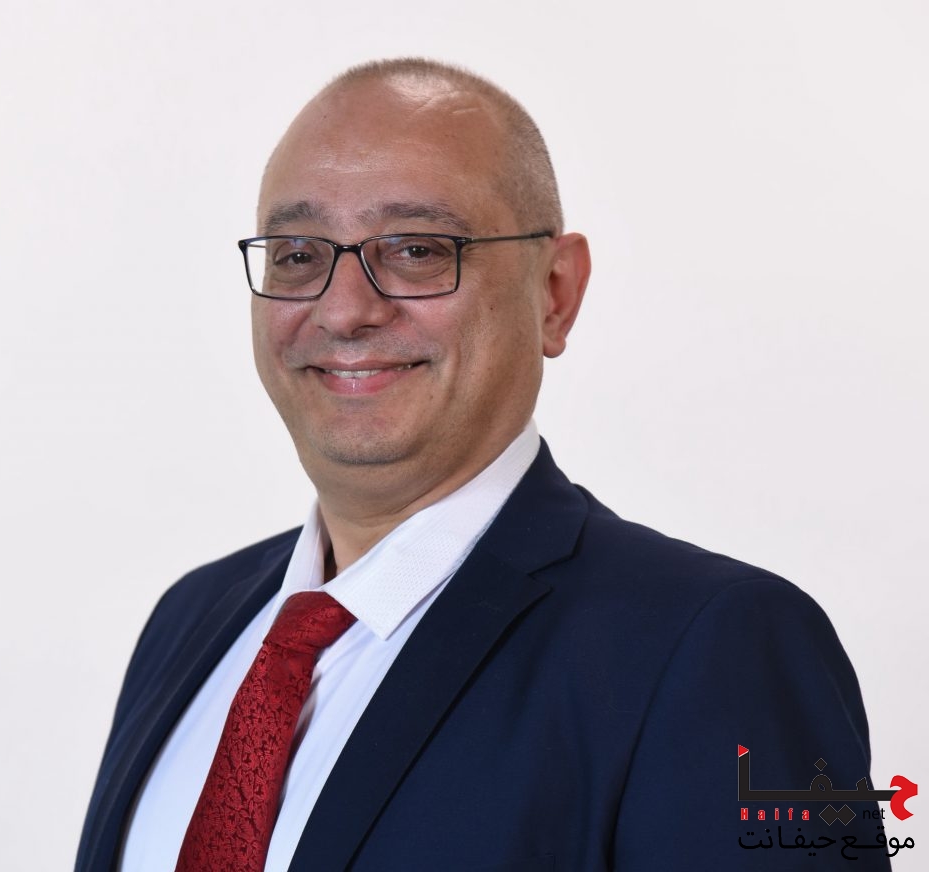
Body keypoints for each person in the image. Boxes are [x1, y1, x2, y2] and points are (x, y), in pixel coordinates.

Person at [77, 59, 890, 871]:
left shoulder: (712, 649)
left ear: (555, 293)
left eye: (417, 249)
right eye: (296, 255)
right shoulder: (191, 621)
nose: (344, 309)